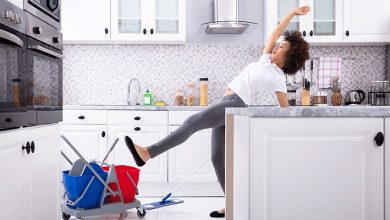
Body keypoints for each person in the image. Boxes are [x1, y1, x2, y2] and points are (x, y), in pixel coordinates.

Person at [125, 6, 310, 218]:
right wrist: (292, 14)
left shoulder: (278, 78)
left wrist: (293, 134)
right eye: (278, 44)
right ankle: (232, 203)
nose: (277, 45)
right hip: (228, 102)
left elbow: (284, 110)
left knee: (193, 122)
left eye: (283, 46)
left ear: (290, 55)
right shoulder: (265, 59)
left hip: (236, 104)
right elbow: (275, 32)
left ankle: (148, 152)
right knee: (217, 157)